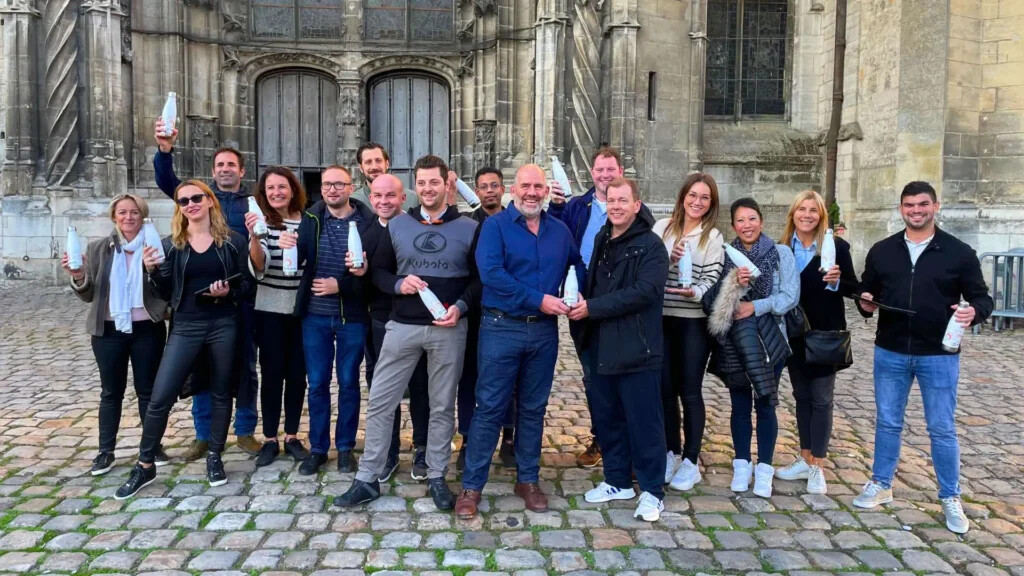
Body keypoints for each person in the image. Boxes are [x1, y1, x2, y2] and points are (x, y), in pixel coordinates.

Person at [335, 155, 479, 510]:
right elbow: (378, 273)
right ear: (416, 187)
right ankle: (367, 479)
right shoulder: (398, 225)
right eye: (422, 183)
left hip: (448, 328)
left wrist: (460, 307)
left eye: (435, 182)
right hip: (401, 326)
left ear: (448, 184)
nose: (428, 189)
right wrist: (399, 285)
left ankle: (435, 476)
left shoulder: (471, 228)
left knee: (442, 406)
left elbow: (479, 280)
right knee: (382, 401)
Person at [852, 181, 992, 535]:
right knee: (887, 422)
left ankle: (950, 496)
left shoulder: (959, 252)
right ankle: (881, 484)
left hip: (939, 355)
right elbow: (869, 293)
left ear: (936, 206)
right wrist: (864, 303)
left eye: (923, 204)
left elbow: (982, 299)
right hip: (891, 350)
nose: (916, 210)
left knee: (942, 428)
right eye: (909, 205)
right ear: (901, 209)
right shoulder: (882, 251)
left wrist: (972, 311)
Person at [454, 165, 585, 519]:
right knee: (490, 407)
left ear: (546, 191)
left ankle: (527, 480)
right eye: (525, 185)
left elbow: (577, 266)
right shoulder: (494, 227)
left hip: (544, 332)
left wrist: (578, 295)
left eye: (537, 186)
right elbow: (492, 274)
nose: (531, 192)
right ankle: (472, 486)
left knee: (533, 409)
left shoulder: (559, 230)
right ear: (514, 189)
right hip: (501, 327)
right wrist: (539, 298)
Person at [115, 180, 252, 498]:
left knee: (221, 391)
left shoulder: (233, 242)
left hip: (223, 323)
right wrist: (152, 270)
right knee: (161, 395)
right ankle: (145, 464)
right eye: (183, 200)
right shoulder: (171, 243)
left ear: (209, 201)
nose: (190, 204)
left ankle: (215, 456)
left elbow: (248, 286)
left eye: (195, 198)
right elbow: (164, 292)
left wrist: (229, 290)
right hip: (186, 325)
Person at [153, 118, 261, 459]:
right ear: (213, 173)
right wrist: (165, 150)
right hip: (196, 307)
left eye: (231, 164)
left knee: (244, 368)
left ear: (242, 172)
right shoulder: (196, 197)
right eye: (220, 165)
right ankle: (202, 435)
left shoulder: (251, 204)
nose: (226, 169)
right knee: (201, 370)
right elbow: (169, 182)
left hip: (239, 303)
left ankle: (244, 430)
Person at [568, 178, 668, 521]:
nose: (617, 206)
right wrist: (580, 300)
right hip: (601, 345)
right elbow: (595, 283)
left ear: (636, 205)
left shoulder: (652, 246)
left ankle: (653, 490)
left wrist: (593, 307)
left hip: (638, 347)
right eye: (611, 200)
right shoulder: (601, 238)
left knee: (644, 423)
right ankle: (617, 480)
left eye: (623, 200)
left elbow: (645, 292)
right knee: (607, 418)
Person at [63, 194, 169, 475]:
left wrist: (153, 270)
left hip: (147, 329)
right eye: (122, 212)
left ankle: (153, 446)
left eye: (134, 212)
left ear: (143, 216)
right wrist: (78, 275)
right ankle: (105, 451)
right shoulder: (99, 249)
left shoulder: (156, 247)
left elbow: (165, 290)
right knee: (111, 392)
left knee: (148, 391)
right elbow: (88, 296)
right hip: (108, 331)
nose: (128, 217)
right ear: (114, 217)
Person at [278, 165, 373, 475]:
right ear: (321, 189)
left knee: (348, 383)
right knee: (317, 384)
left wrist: (340, 285)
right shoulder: (311, 218)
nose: (333, 190)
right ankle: (318, 448)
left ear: (350, 187)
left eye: (339, 184)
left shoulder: (368, 222)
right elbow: (301, 255)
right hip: (315, 317)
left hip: (352, 316)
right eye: (327, 185)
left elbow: (372, 275)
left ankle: (345, 448)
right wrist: (288, 247)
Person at [702, 197, 799, 500]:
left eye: (752, 219)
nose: (747, 225)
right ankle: (742, 464)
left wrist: (754, 306)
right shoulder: (725, 256)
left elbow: (789, 296)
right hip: (736, 341)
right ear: (733, 226)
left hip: (770, 337)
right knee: (740, 403)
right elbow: (711, 300)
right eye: (740, 221)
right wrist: (733, 285)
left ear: (761, 221)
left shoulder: (780, 252)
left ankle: (766, 468)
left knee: (766, 401)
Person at [774, 190, 861, 494]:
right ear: (793, 214)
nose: (807, 214)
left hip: (825, 334)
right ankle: (805, 456)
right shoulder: (782, 248)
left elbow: (854, 288)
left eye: (813, 210)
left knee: (822, 398)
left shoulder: (836, 247)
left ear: (821, 215)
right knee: (801, 397)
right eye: (802, 209)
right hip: (793, 334)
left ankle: (818, 467)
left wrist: (837, 280)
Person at [548, 146, 626, 469]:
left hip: (617, 306)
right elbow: (556, 238)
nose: (605, 175)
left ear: (620, 171)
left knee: (620, 375)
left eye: (611, 169)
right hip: (581, 302)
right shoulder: (577, 206)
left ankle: (624, 439)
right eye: (600, 170)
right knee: (592, 376)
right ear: (592, 173)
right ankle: (602, 438)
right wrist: (554, 208)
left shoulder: (632, 207)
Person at [652, 173, 724, 491]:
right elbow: (648, 269)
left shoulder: (713, 237)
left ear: (711, 204)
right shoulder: (662, 228)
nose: (697, 202)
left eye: (704, 197)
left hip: (693, 322)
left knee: (690, 390)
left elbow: (710, 281)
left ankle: (692, 461)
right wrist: (668, 259)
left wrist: (693, 292)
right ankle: (672, 451)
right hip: (662, 318)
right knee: (665, 390)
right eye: (693, 195)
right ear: (683, 197)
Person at [359, 173, 432, 483]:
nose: (384, 201)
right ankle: (388, 451)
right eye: (378, 196)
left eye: (391, 196)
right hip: (379, 319)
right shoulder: (365, 231)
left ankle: (422, 448)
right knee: (383, 390)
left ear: (404, 198)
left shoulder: (417, 227)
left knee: (420, 387)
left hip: (415, 319)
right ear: (370, 198)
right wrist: (357, 273)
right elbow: (365, 277)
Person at [246, 167, 311, 468]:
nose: (276, 192)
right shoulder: (261, 223)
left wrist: (299, 248)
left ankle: (293, 435)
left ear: (293, 189)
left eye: (281, 187)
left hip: (301, 310)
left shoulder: (309, 222)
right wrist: (254, 239)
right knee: (272, 375)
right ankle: (270, 438)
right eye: (270, 188)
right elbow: (260, 267)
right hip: (269, 309)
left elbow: (313, 261)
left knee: (298, 375)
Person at [456, 166, 517, 471]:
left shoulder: (517, 222)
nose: (490, 190)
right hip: (475, 311)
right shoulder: (467, 225)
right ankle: (467, 438)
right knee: (469, 378)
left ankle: (508, 437)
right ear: (476, 192)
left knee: (509, 379)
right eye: (483, 187)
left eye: (495, 185)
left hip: (509, 313)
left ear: (503, 188)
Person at [349, 142, 420, 212]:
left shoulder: (412, 199)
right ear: (361, 168)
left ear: (387, 164)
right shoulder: (353, 201)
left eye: (378, 161)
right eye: (368, 162)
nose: (374, 167)